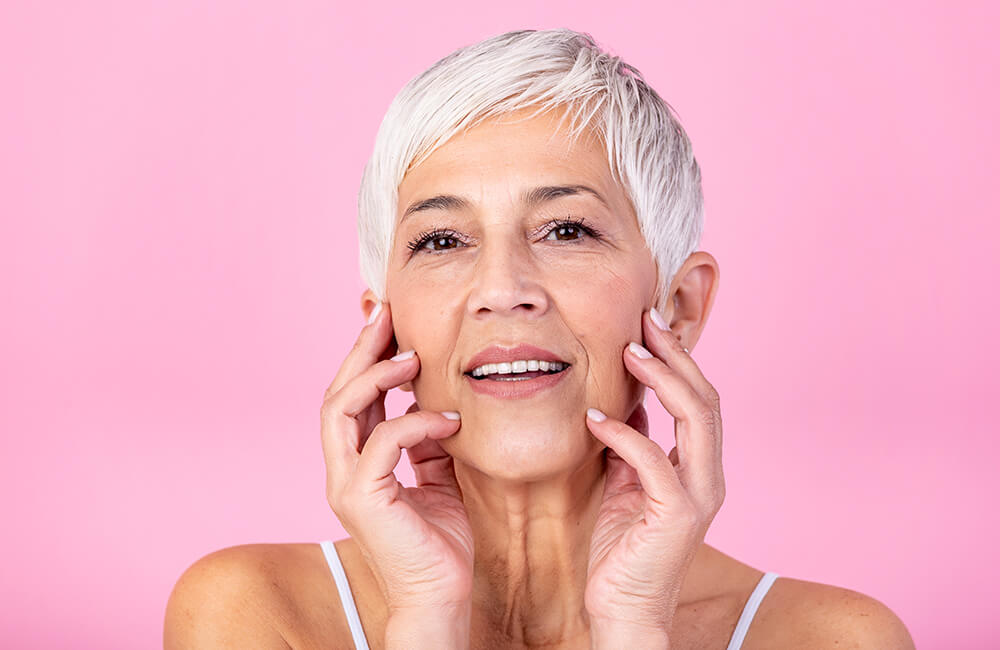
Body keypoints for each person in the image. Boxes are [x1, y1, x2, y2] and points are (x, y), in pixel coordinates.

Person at [164, 28, 915, 649]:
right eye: (441, 240)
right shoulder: (252, 615)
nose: (501, 288)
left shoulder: (837, 638)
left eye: (566, 229)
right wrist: (425, 616)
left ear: (678, 307)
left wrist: (633, 626)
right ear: (382, 321)